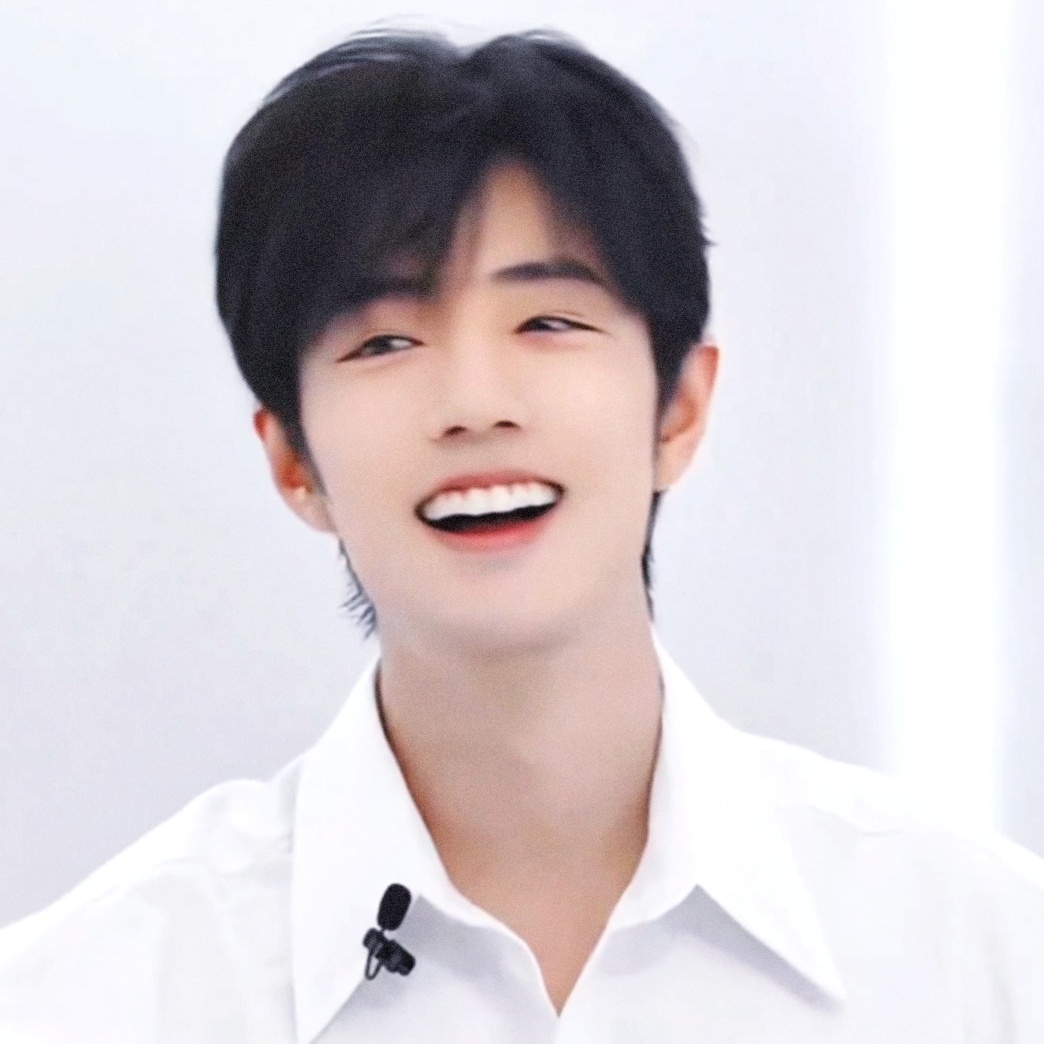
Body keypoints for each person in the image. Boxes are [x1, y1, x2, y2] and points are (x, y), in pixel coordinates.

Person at [1, 26, 1043, 1043]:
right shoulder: (90, 999)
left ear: (679, 409)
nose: (475, 402)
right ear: (293, 461)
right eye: (385, 341)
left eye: (547, 321)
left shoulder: (977, 955)